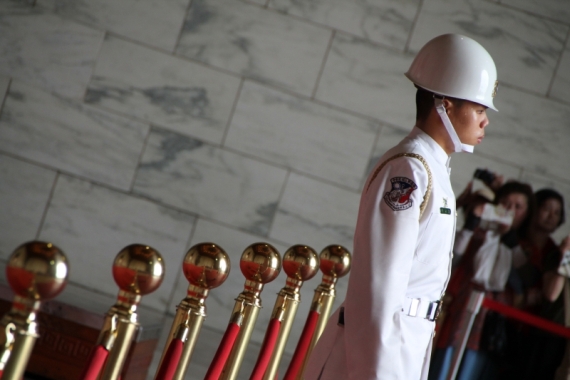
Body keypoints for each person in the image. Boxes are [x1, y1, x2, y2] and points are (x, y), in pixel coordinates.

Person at [303, 33, 499, 380]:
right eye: (479, 109)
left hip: (405, 343)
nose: (485, 121)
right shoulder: (409, 170)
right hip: (370, 354)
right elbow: (379, 288)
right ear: (446, 104)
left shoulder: (432, 168)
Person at [429, 180, 535, 380]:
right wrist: (472, 222)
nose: (510, 210)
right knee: (446, 364)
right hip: (462, 308)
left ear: (527, 213)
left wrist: (510, 240)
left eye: (518, 207)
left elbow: (527, 278)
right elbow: (453, 258)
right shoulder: (480, 233)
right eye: (505, 203)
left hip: (494, 320)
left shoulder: (524, 247)